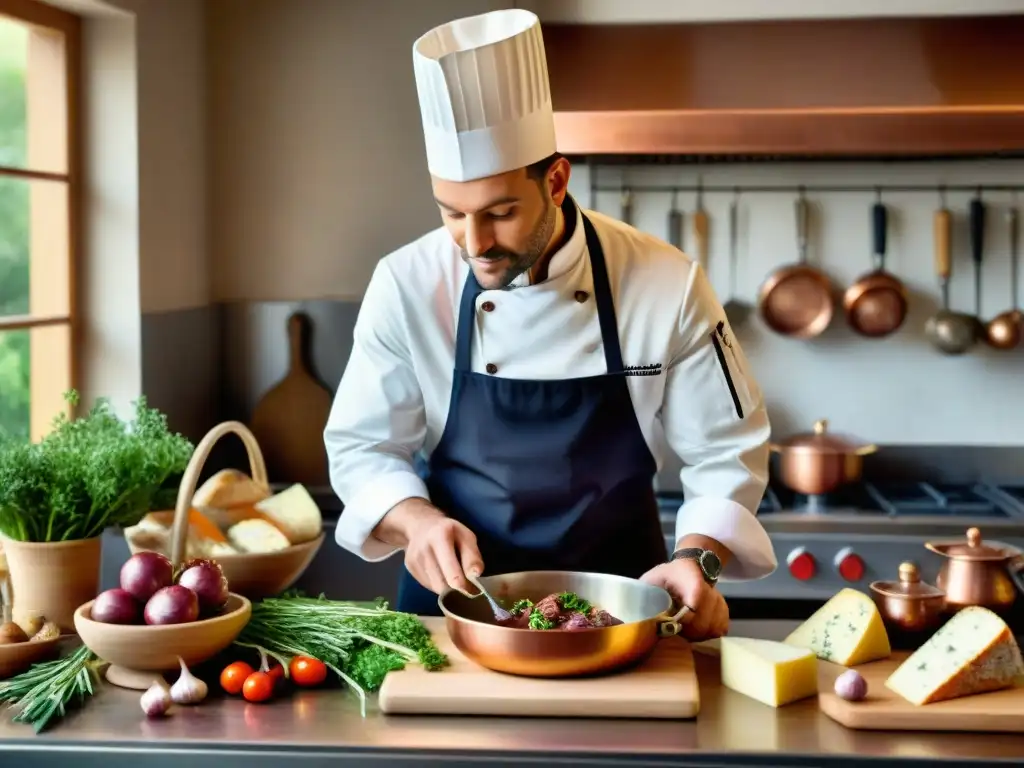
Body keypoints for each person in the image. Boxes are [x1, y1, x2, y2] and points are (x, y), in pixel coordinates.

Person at [324, 8, 776, 641]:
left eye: (500, 212)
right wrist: (414, 521)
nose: (474, 243)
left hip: (624, 608)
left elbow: (727, 448)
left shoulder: (666, 282)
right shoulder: (404, 284)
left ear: (557, 180)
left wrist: (697, 557)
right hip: (455, 610)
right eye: (452, 213)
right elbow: (361, 447)